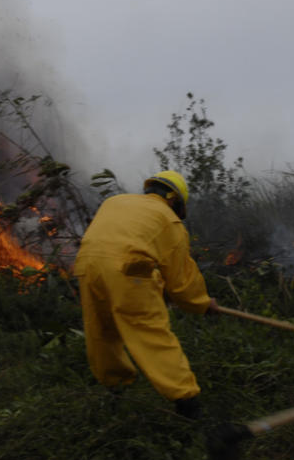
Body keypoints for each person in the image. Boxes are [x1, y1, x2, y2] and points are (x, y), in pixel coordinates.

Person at [73, 170, 218, 419]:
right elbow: (182, 282)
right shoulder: (169, 220)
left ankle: (116, 389)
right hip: (128, 270)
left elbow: (120, 246)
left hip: (87, 267)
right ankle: (188, 403)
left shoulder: (114, 202)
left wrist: (161, 288)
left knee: (102, 330)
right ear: (174, 201)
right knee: (150, 332)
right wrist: (203, 304)